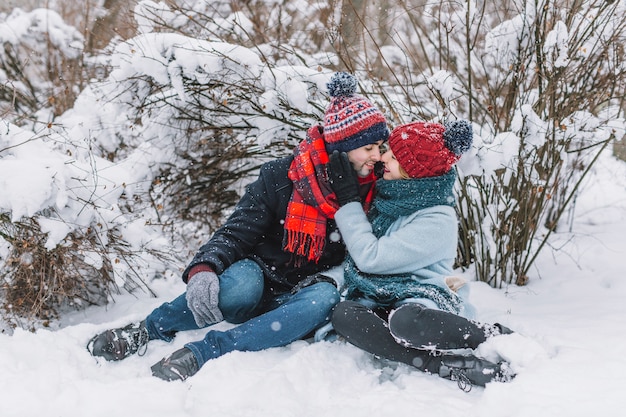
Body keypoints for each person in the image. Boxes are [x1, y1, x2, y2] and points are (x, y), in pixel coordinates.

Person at [86, 72, 390, 381]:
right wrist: (204, 268)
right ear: (341, 146)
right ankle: (148, 329)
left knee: (323, 300)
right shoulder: (282, 176)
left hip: (304, 297)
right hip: (260, 283)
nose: (377, 156)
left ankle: (207, 351)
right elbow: (236, 232)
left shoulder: (377, 190)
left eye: (380, 146)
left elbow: (370, 253)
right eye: (368, 148)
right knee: (243, 280)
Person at [327, 120, 515, 391]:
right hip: (382, 294)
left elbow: (371, 258)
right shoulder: (391, 199)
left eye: (393, 156)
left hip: (422, 296)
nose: (382, 159)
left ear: (413, 171)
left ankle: (490, 336)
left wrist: (348, 202)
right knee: (344, 314)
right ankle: (438, 364)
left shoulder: (437, 218)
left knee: (405, 322)